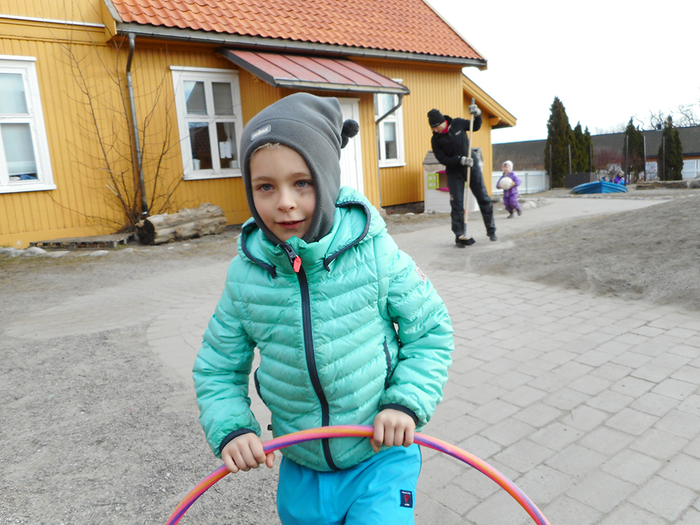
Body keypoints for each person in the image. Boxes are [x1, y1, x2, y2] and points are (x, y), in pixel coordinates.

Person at [193, 93, 454, 525]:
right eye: (265, 187)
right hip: (302, 463)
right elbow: (217, 367)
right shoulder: (245, 275)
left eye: (302, 183)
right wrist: (233, 427)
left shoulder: (376, 253)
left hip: (379, 454)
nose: (285, 202)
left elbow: (430, 331)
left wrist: (405, 403)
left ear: (328, 180)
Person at [428, 105, 497, 246]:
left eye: (436, 127)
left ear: (442, 122)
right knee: (457, 204)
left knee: (483, 198)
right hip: (454, 171)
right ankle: (459, 236)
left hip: (472, 167)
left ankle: (491, 230)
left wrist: (477, 114)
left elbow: (475, 126)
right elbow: (442, 159)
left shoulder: (458, 124)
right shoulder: (436, 139)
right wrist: (459, 160)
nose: (435, 130)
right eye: (433, 129)